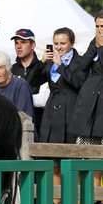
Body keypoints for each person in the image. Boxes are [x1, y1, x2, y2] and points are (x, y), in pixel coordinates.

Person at [39, 27, 86, 144]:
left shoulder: (80, 61)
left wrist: (61, 67)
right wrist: (41, 63)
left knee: (69, 151)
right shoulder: (51, 62)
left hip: (71, 109)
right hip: (51, 109)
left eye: (63, 43)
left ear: (72, 43)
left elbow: (79, 82)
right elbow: (33, 83)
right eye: (56, 44)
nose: (59, 47)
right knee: (49, 151)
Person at [70, 10, 103, 147]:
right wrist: (95, 47)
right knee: (85, 144)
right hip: (91, 96)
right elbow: (83, 65)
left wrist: (101, 48)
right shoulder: (94, 41)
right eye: (97, 27)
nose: (100, 30)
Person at [0, 51, 36, 140]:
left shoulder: (20, 85)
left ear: (8, 69)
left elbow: (24, 117)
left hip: (21, 138)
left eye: (0, 67)